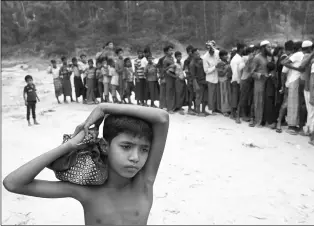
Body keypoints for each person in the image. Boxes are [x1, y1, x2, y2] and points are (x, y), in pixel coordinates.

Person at [3, 103, 170, 225]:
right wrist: (68, 146)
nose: (135, 157)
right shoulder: (86, 191)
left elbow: (162, 118)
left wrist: (104, 108)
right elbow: (13, 183)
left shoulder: (144, 183)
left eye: (144, 150)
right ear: (105, 146)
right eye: (126, 147)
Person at [250, 40, 272, 127]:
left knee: (265, 101)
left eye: (270, 47)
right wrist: (261, 75)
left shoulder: (268, 57)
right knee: (258, 101)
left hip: (267, 82)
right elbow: (251, 72)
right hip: (259, 82)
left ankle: (264, 120)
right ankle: (258, 121)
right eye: (268, 47)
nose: (270, 49)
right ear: (263, 48)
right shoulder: (257, 58)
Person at [237, 46, 255, 124]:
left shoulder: (251, 58)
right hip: (245, 80)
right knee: (242, 98)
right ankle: (237, 116)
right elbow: (241, 68)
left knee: (247, 99)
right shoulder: (245, 58)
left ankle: (244, 115)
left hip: (248, 80)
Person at [203, 40, 221, 115]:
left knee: (217, 94)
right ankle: (212, 109)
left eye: (212, 49)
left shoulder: (217, 52)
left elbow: (220, 59)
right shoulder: (205, 57)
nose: (212, 52)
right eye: (210, 50)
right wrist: (215, 67)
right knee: (211, 94)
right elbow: (206, 70)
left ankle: (217, 108)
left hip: (219, 76)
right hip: (211, 78)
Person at [190, 48, 208, 117]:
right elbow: (193, 76)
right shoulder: (192, 64)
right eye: (196, 54)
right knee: (198, 97)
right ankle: (198, 111)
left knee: (204, 97)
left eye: (198, 53)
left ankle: (203, 110)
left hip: (204, 81)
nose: (198, 55)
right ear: (193, 55)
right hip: (198, 82)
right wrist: (196, 85)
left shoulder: (201, 60)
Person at [230, 43, 246, 120]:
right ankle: (233, 114)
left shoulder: (240, 58)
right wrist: (238, 81)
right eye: (244, 48)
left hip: (239, 80)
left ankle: (237, 113)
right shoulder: (235, 59)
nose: (245, 50)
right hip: (236, 80)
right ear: (240, 49)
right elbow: (235, 72)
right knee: (235, 97)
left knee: (238, 97)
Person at [216, 50, 232, 116]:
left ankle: (229, 109)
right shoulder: (220, 63)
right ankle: (224, 110)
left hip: (227, 80)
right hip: (222, 81)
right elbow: (220, 73)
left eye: (227, 55)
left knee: (228, 95)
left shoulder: (227, 62)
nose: (226, 56)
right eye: (224, 55)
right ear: (221, 56)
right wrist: (226, 68)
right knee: (224, 96)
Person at [163, 45, 177, 113]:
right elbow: (164, 70)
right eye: (170, 50)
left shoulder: (172, 58)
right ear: (166, 52)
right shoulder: (165, 60)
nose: (172, 51)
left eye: (172, 50)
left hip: (173, 77)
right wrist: (170, 67)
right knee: (169, 92)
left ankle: (173, 107)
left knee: (173, 92)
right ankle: (169, 108)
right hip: (169, 77)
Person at [183, 45, 196, 115]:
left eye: (192, 51)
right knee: (191, 94)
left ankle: (194, 108)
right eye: (190, 51)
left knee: (195, 94)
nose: (191, 52)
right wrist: (189, 78)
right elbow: (186, 71)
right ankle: (189, 109)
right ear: (188, 52)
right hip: (190, 79)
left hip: (195, 79)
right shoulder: (187, 61)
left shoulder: (195, 58)